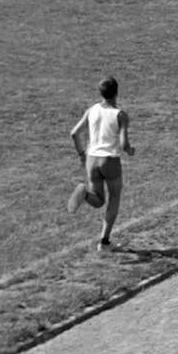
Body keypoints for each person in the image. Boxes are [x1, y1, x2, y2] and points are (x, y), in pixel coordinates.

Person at [67, 77, 136, 251]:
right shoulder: (120, 115)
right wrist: (131, 151)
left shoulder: (92, 110)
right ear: (117, 92)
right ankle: (104, 243)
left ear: (100, 93)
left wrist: (82, 155)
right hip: (109, 160)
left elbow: (74, 134)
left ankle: (84, 194)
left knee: (98, 201)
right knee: (114, 198)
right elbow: (124, 145)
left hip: (92, 159)